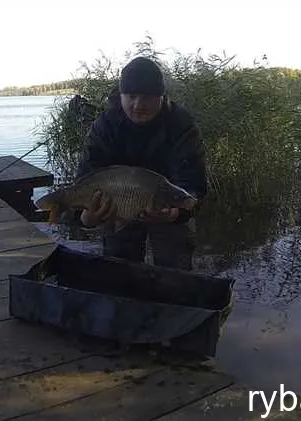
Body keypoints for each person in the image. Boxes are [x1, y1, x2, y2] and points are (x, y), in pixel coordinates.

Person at [72, 56, 208, 271]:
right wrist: (86, 218)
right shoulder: (106, 125)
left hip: (166, 204)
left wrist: (176, 214)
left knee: (175, 269)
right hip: (117, 205)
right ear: (121, 95)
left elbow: (193, 184)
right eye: (131, 96)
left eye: (147, 97)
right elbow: (86, 177)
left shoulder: (181, 124)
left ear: (161, 96)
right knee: (119, 268)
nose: (138, 105)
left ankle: (172, 298)